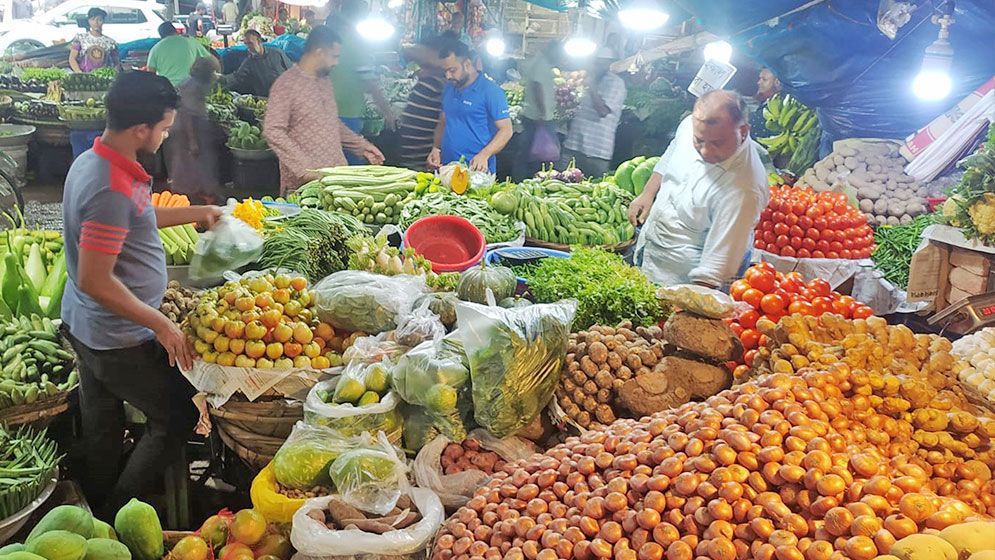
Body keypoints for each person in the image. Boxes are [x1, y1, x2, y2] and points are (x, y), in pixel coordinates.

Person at [61, 70, 221, 518]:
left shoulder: (96, 161)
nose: (166, 134)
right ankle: (115, 514)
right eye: (165, 127)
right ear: (140, 129)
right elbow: (96, 278)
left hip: (86, 325)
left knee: (102, 427)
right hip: (116, 338)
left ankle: (90, 505)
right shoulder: (109, 187)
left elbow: (137, 216)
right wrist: (162, 323)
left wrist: (198, 212)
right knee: (177, 417)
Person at [628, 90, 768, 288]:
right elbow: (673, 150)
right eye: (699, 141)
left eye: (717, 143)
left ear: (743, 131)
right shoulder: (691, 126)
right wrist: (648, 193)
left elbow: (714, 271)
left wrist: (685, 309)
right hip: (651, 247)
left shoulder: (744, 189)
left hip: (683, 278)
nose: (705, 151)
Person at [264, 25, 385, 195]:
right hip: (304, 188)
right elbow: (273, 130)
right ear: (319, 52)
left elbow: (331, 123)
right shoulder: (286, 84)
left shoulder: (324, 80)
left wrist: (362, 146)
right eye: (334, 56)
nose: (336, 62)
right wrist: (305, 169)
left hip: (334, 181)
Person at [325, 0, 395, 164]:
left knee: (330, 163)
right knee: (351, 168)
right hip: (348, 114)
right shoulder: (357, 42)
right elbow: (370, 83)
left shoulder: (328, 38)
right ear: (362, 16)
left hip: (325, 110)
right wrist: (387, 112)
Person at [428, 40, 512, 173]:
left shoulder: (491, 91)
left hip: (477, 171)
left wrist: (485, 154)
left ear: (467, 64)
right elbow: (443, 121)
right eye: (445, 71)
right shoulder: (449, 88)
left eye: (452, 70)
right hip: (447, 168)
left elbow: (506, 130)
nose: (448, 76)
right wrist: (436, 148)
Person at [560, 47, 627, 178]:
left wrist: (591, 87)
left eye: (598, 63)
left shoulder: (615, 83)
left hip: (596, 152)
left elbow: (602, 110)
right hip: (574, 145)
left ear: (608, 64)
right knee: (561, 184)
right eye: (594, 62)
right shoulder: (587, 80)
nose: (594, 66)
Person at [164, 57, 223, 203]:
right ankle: (192, 198)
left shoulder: (191, 82)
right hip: (188, 131)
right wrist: (192, 141)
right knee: (191, 164)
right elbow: (187, 114)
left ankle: (204, 193)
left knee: (199, 163)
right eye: (214, 72)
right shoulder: (193, 87)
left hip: (194, 129)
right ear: (207, 73)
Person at [395, 34, 450, 170]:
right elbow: (408, 49)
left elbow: (443, 121)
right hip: (411, 151)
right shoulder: (427, 77)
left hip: (425, 154)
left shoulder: (443, 83)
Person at [513, 39, 559, 180]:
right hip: (537, 117)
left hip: (537, 116)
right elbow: (537, 86)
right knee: (529, 154)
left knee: (532, 153)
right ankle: (520, 181)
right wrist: (542, 111)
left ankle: (529, 179)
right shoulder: (542, 64)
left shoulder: (542, 63)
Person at [220, 29, 292, 96]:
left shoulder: (277, 53)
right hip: (266, 99)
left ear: (259, 41)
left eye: (250, 43)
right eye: (246, 44)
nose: (248, 47)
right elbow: (236, 77)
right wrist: (220, 78)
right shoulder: (249, 62)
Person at [147, 22, 212, 87]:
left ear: (161, 36)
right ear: (175, 31)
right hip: (190, 87)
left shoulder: (155, 49)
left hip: (168, 89)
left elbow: (151, 75)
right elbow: (212, 60)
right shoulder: (190, 41)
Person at [69, 8, 120, 73]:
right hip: (85, 76)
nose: (96, 22)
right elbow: (72, 58)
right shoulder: (80, 38)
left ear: (103, 21)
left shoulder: (110, 42)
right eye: (92, 19)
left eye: (99, 20)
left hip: (103, 78)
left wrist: (113, 74)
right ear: (88, 21)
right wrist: (79, 72)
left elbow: (116, 63)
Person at [750, 67, 782, 137]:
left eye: (764, 79)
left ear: (777, 83)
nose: (758, 82)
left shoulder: (779, 110)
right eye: (759, 79)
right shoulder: (762, 103)